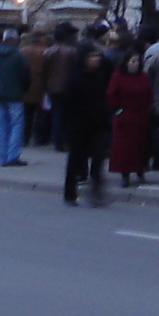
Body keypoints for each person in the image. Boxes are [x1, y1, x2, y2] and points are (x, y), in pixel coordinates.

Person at [62, 44, 113, 205]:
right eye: (92, 56)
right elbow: (68, 103)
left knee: (98, 157)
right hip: (79, 125)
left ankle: (96, 191)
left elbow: (104, 99)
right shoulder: (75, 78)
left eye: (97, 56)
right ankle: (70, 193)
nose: (96, 59)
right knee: (76, 159)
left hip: (98, 123)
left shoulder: (100, 76)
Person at [107, 49, 154, 187]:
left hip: (141, 116)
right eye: (133, 61)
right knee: (125, 148)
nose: (135, 64)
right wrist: (118, 110)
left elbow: (148, 93)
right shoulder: (118, 76)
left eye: (137, 61)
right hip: (125, 117)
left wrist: (148, 107)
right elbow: (112, 95)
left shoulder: (143, 77)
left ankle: (140, 171)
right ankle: (125, 174)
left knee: (141, 146)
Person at [0, 30, 29, 165]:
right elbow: (26, 76)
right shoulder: (19, 56)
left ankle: (2, 157)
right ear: (15, 40)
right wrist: (23, 89)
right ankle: (13, 156)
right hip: (15, 95)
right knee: (17, 125)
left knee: (1, 126)